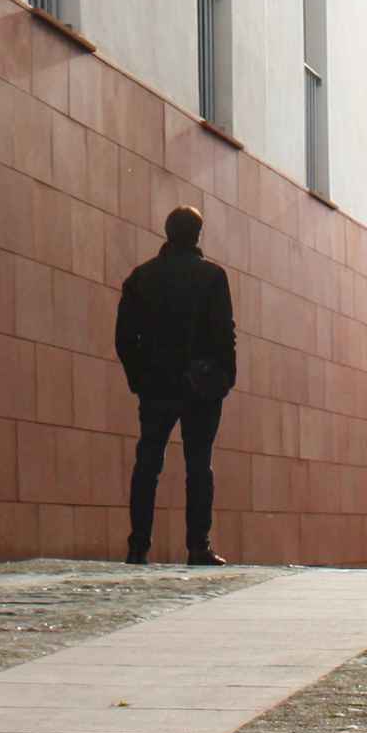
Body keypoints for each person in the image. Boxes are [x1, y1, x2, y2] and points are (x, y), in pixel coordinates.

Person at [115, 204, 236, 565]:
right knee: (199, 465)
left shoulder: (141, 277)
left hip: (156, 385)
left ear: (168, 234)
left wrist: (139, 379)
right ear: (197, 235)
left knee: (148, 463)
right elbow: (224, 334)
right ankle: (198, 546)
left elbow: (124, 338)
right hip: (201, 385)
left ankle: (138, 546)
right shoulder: (212, 276)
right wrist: (224, 378)